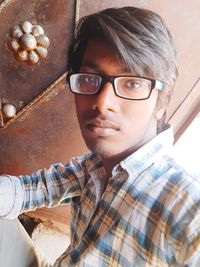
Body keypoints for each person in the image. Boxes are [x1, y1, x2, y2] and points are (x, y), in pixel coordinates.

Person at [0, 6, 200, 267]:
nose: (103, 102)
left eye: (132, 83)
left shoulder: (187, 207)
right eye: (90, 79)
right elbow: (27, 190)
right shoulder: (91, 167)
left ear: (162, 100)